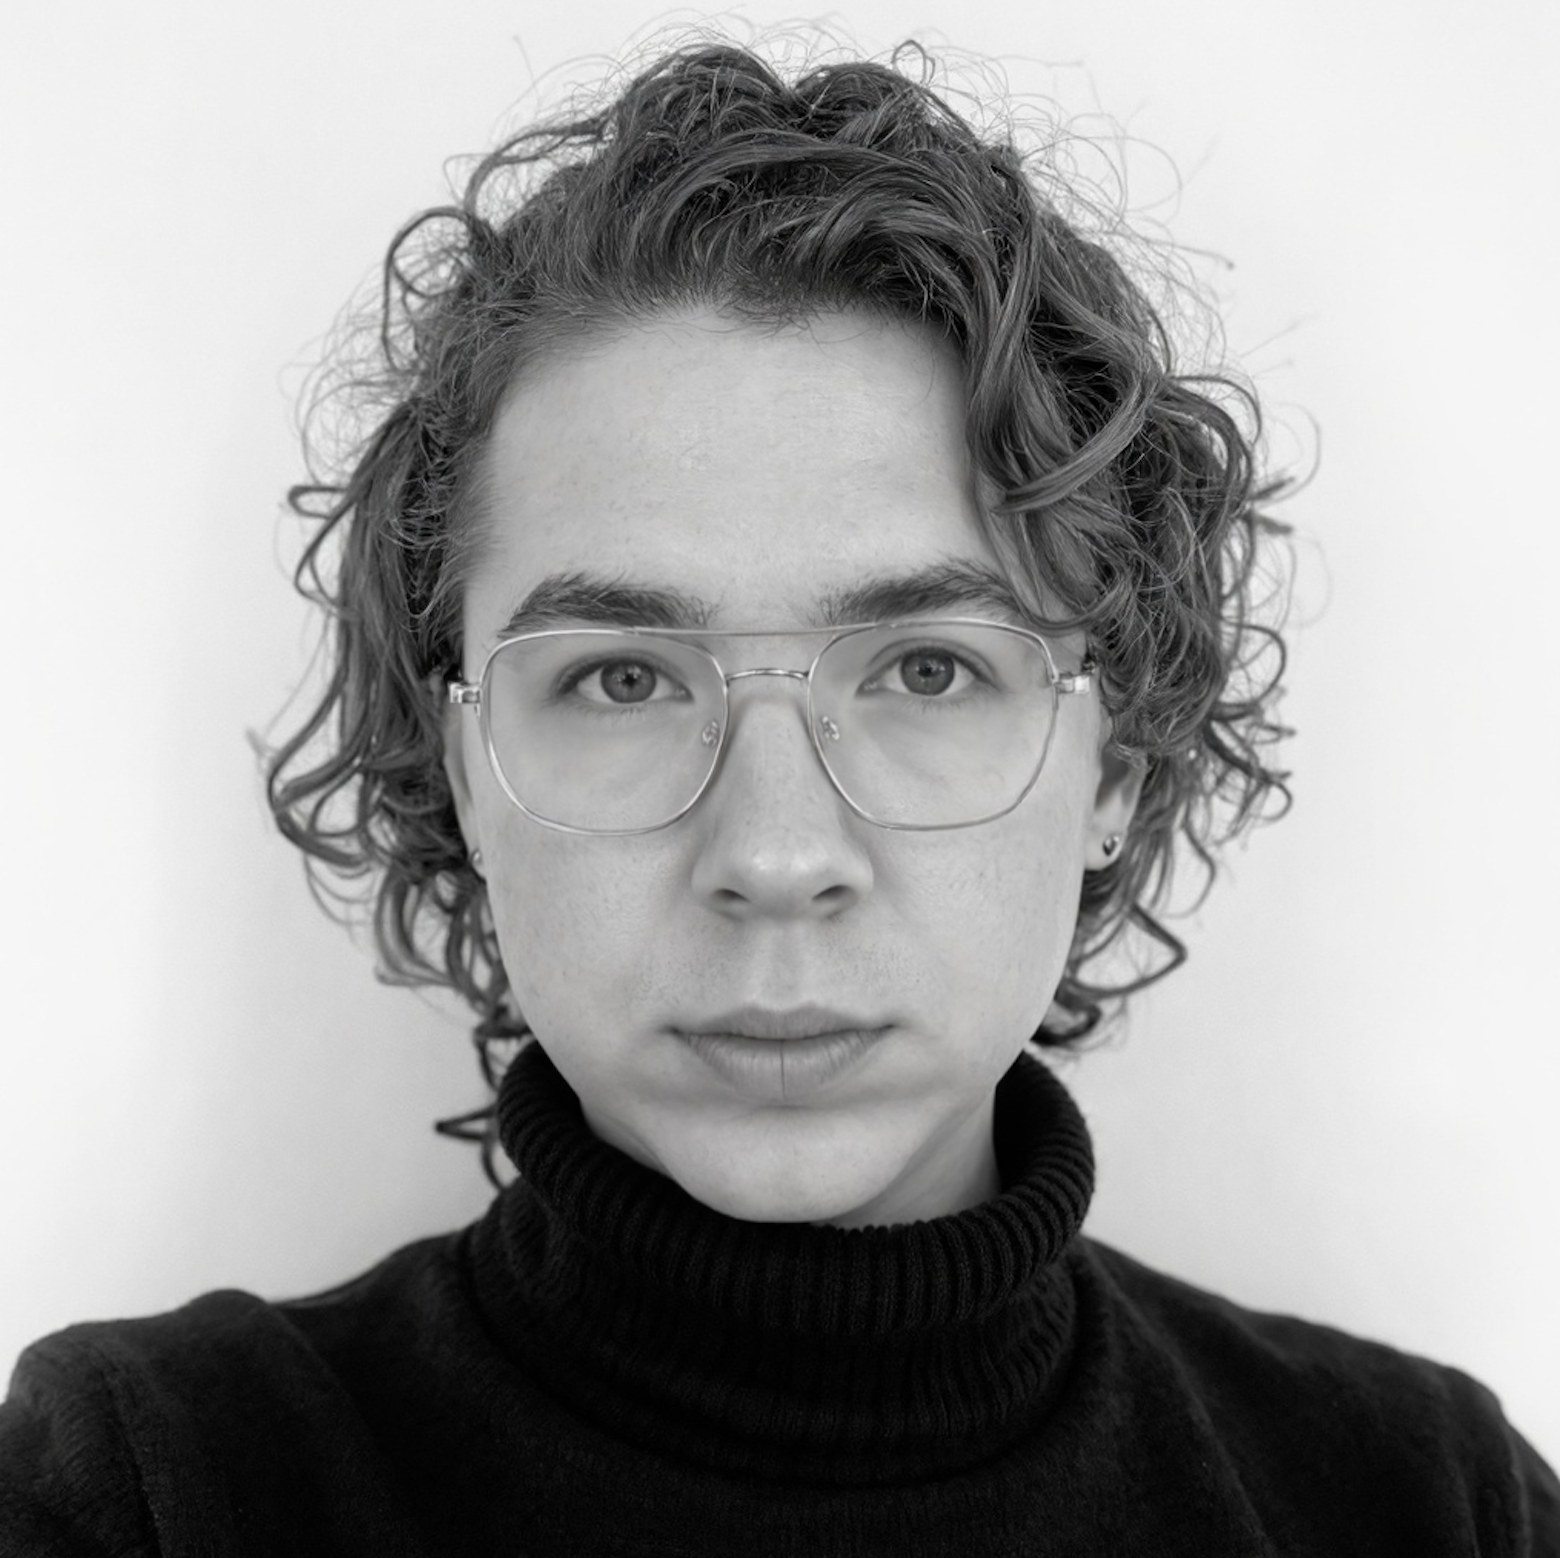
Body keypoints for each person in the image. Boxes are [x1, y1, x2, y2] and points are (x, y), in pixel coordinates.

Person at [2, 29, 1555, 1556]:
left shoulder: (1426, 1501)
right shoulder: (143, 1493)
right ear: (460, 760)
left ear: (1117, 757)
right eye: (622, 676)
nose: (778, 851)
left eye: (928, 669)